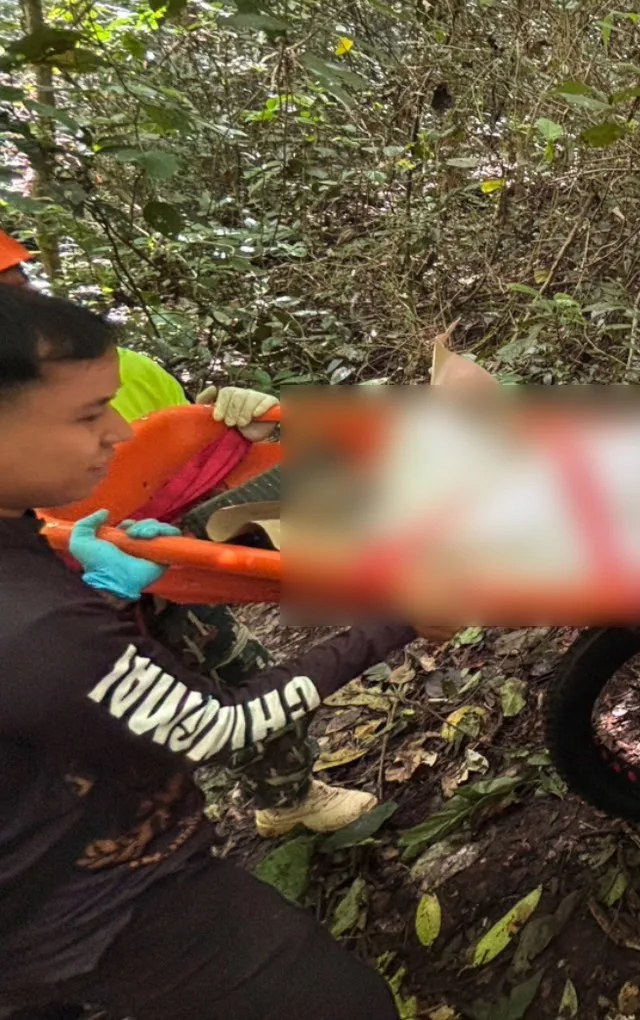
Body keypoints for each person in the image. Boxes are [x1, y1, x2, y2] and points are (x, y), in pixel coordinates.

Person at [0, 286, 456, 1019]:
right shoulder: (38, 626)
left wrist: (111, 596)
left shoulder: (27, 557)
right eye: (88, 417)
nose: (117, 433)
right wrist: (397, 621)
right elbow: (218, 725)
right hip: (89, 916)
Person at [0, 228, 370, 837]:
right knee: (123, 743)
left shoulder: (121, 370)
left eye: (21, 288)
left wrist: (229, 432)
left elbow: (173, 451)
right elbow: (214, 724)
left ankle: (287, 797)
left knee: (245, 677)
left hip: (159, 567)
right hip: (63, 604)